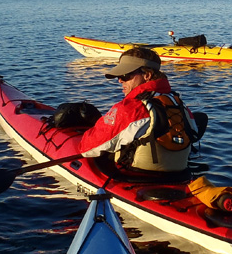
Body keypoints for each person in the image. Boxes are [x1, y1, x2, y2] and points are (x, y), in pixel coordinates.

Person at [79, 47, 198, 176]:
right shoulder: (180, 104)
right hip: (179, 176)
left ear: (147, 75)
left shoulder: (130, 108)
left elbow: (87, 148)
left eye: (126, 75)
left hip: (135, 176)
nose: (120, 80)